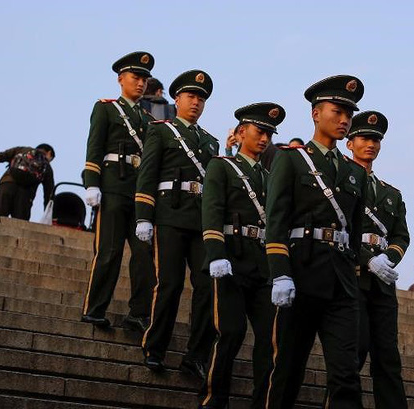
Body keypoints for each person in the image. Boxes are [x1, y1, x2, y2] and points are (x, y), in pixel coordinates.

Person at [262, 75, 367, 409]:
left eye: (348, 114)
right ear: (315, 113)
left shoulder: (355, 173)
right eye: (337, 111)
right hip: (301, 273)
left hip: (341, 282)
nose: (344, 119)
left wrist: (355, 273)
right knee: (288, 367)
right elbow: (276, 221)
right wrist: (280, 272)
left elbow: (355, 231)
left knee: (346, 374)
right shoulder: (291, 160)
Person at [199, 102, 286, 409]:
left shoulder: (270, 176)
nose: (264, 139)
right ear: (240, 132)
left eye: (269, 134)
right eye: (259, 131)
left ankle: (261, 403)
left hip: (262, 265)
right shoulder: (221, 166)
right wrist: (215, 253)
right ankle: (214, 398)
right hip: (231, 260)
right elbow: (212, 211)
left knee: (269, 340)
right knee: (231, 333)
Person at [134, 70, 219, 377]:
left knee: (207, 287)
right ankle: (155, 348)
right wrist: (144, 215)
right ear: (177, 99)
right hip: (169, 214)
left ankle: (195, 355)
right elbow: (148, 173)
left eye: (201, 99)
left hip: (199, 221)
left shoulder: (210, 142)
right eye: (191, 96)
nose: (196, 103)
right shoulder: (161, 131)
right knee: (169, 284)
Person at [80, 51, 156, 334]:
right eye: (136, 77)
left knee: (143, 255)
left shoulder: (149, 120)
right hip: (112, 187)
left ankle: (139, 313)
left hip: (139, 194)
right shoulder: (106, 108)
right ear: (121, 79)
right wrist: (92, 182)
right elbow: (95, 146)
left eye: (145, 79)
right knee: (109, 251)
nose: (141, 83)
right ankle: (94, 309)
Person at [345, 110, 410, 409]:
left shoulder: (390, 193)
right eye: (363, 138)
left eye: (375, 140)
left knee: (388, 357)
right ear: (350, 143)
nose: (370, 144)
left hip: (382, 283)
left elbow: (401, 236)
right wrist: (367, 259)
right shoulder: (339, 182)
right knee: (353, 352)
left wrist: (388, 259)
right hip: (351, 275)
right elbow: (338, 229)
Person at [0, 144, 55, 221]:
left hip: (7, 185)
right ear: (49, 153)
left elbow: (1, 156)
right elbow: (49, 193)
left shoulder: (21, 150)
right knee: (20, 225)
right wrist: (49, 215)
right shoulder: (47, 166)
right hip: (26, 194)